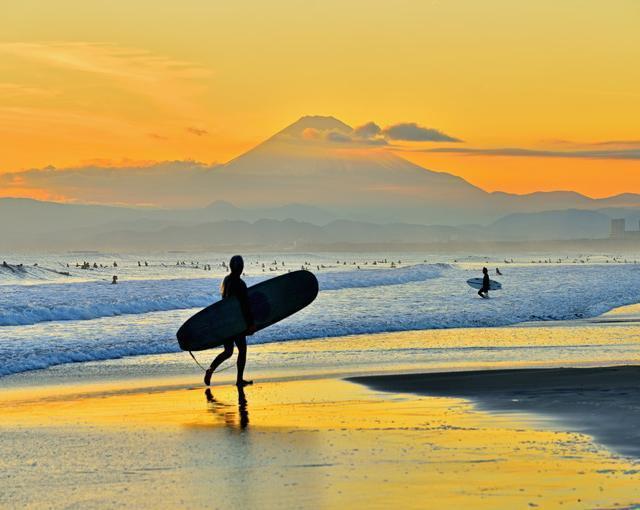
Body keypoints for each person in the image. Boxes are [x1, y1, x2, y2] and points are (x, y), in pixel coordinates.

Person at [204, 255, 256, 387]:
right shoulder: (240, 284)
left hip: (226, 322)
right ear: (241, 268)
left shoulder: (226, 281)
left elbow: (224, 303)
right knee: (242, 350)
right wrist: (250, 324)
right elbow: (245, 306)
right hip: (237, 323)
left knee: (228, 352)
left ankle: (210, 370)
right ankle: (239, 380)